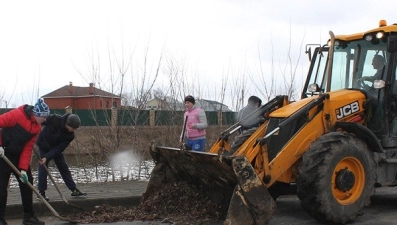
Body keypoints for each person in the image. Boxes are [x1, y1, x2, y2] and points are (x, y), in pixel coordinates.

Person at [0, 98, 49, 225]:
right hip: (3, 154)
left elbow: (27, 148)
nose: (45, 120)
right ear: (37, 114)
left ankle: (28, 217)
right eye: (44, 117)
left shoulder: (36, 127)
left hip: (18, 155)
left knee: (27, 183)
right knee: (1, 187)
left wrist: (23, 169)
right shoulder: (17, 115)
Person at [36, 113, 86, 201]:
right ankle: (41, 192)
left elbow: (59, 148)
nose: (73, 130)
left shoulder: (70, 135)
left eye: (75, 129)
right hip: (43, 145)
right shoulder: (54, 119)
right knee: (43, 167)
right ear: (67, 124)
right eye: (73, 128)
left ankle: (73, 189)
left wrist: (47, 157)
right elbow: (41, 121)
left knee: (64, 168)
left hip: (55, 149)